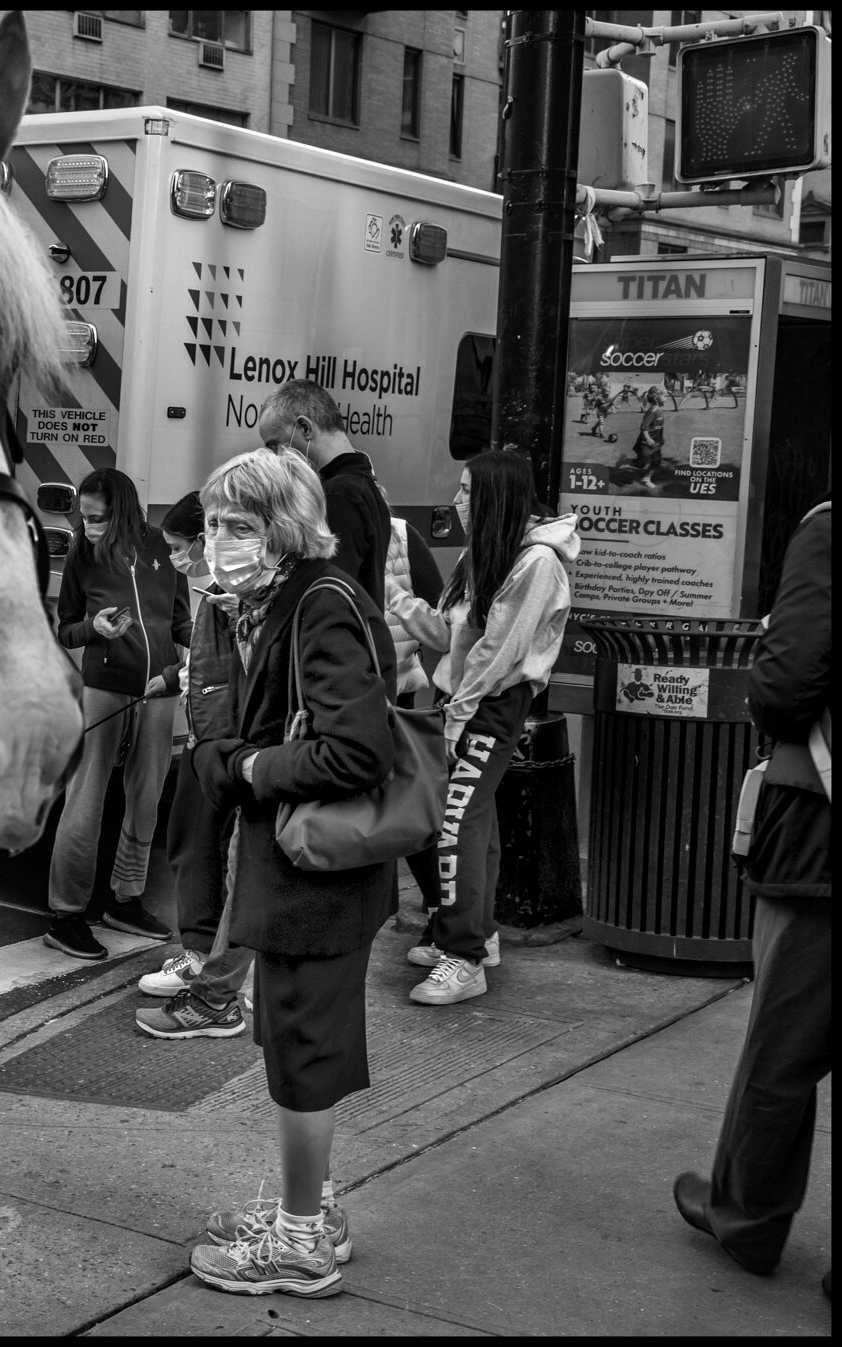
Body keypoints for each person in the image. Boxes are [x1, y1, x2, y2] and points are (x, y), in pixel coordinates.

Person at [147, 449, 396, 1297]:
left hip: (313, 876)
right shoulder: (276, 601)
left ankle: (298, 1244)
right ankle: (311, 1212)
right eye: (214, 524)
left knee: (301, 1052)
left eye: (238, 526)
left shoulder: (319, 606)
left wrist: (250, 769)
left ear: (283, 530)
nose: (219, 541)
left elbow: (357, 748)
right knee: (299, 1045)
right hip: (300, 872)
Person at [674, 497, 831, 1283]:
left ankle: (749, 1213)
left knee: (786, 1037)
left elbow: (787, 680)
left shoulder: (829, 529)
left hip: (820, 837)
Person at [388, 450, 577, 1005]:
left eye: (468, 491)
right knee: (477, 820)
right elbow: (454, 637)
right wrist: (396, 598)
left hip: (490, 703)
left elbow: (498, 653)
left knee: (456, 824)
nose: (457, 501)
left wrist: (459, 714)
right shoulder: (491, 552)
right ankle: (479, 934)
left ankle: (464, 955)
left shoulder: (536, 562)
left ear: (496, 496)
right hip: (466, 698)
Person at [44, 467, 186, 960]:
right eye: (82, 517)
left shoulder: (162, 548)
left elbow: (181, 619)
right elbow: (64, 629)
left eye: (96, 517)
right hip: (104, 688)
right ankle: (65, 914)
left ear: (122, 511)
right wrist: (93, 629)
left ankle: (125, 900)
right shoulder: (83, 553)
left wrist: (192, 657)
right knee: (84, 800)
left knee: (146, 798)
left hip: (159, 690)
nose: (87, 526)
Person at [138, 492, 256, 1030]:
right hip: (211, 733)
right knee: (195, 842)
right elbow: (206, 663)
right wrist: (176, 679)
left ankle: (214, 982)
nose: (182, 558)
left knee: (217, 852)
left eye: (184, 546)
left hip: (226, 740)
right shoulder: (220, 592)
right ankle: (203, 959)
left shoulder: (245, 591)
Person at [257, 380, 390, 605]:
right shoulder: (360, 485)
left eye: (276, 446)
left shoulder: (339, 495)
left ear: (305, 428)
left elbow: (328, 591)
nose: (277, 457)